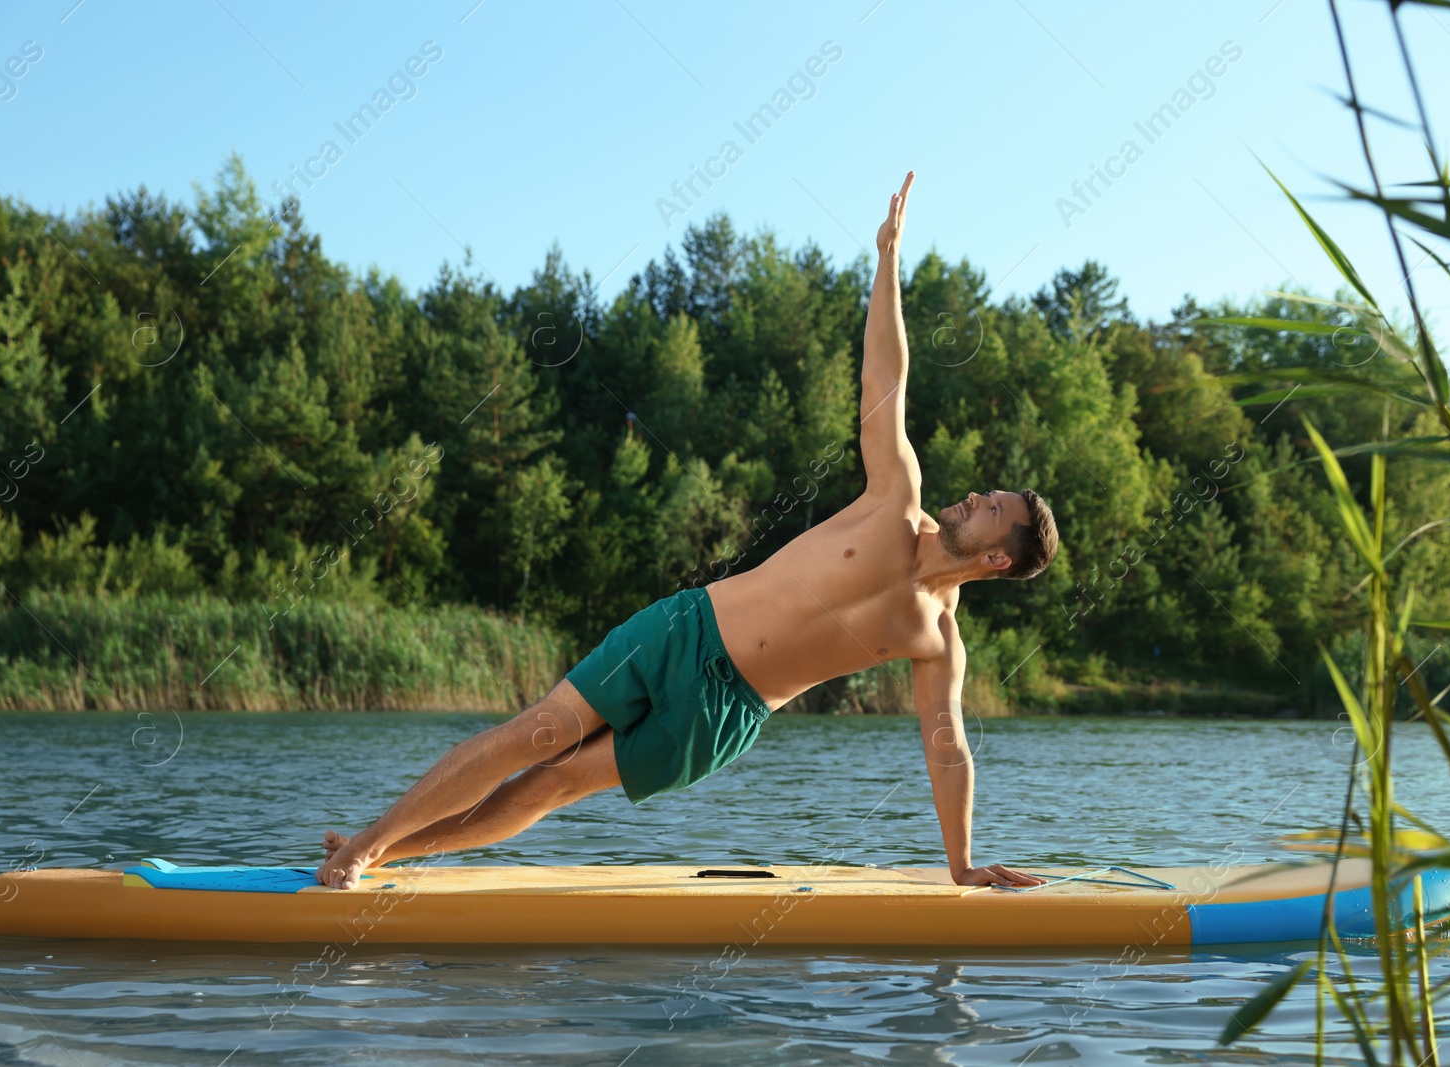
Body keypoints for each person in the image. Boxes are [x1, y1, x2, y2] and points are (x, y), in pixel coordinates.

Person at [316, 172, 1060, 890]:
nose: (972, 496)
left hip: (725, 714)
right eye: (984, 493)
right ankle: (367, 845)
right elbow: (884, 382)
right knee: (536, 732)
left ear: (997, 557)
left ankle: (386, 853)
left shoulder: (937, 640)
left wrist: (962, 864)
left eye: (990, 507)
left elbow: (947, 748)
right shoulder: (897, 498)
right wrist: (888, 259)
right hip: (685, 632)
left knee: (555, 782)